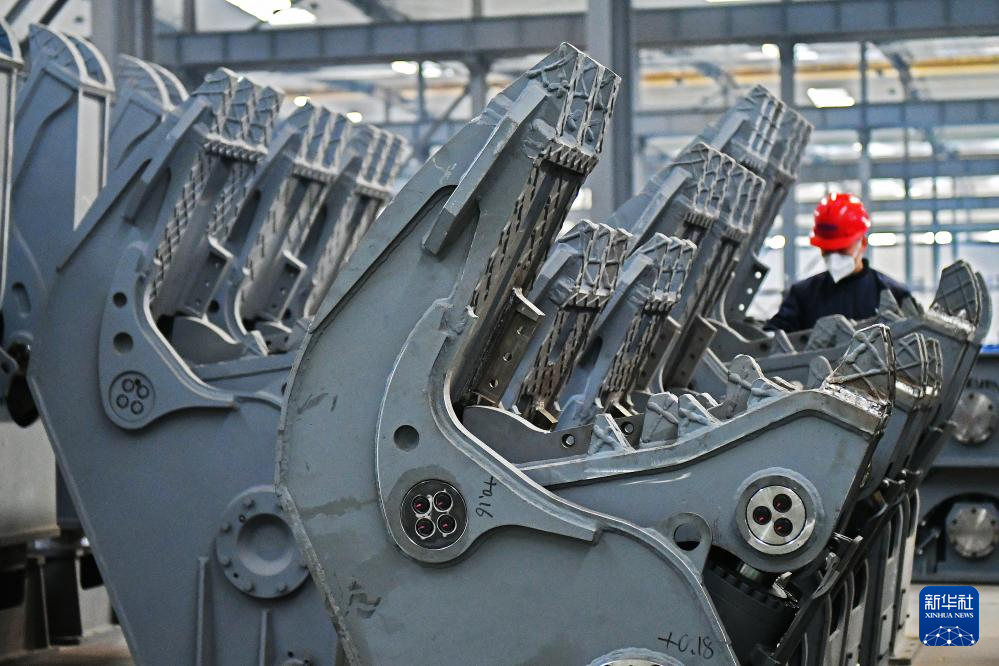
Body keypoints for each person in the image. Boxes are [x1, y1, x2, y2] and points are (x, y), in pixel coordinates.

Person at [766, 192, 911, 333]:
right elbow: (772, 340)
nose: (834, 256)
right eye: (828, 250)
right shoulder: (802, 296)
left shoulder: (894, 295)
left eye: (841, 249)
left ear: (862, 243)